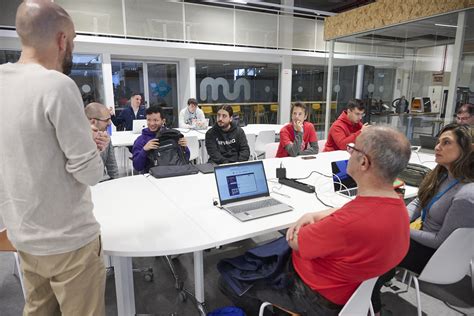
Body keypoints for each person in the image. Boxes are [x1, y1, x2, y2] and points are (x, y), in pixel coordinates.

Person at [219, 126, 412, 315]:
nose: (349, 153)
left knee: (228, 280)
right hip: (355, 291)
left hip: (316, 297)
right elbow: (347, 212)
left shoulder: (346, 224)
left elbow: (294, 240)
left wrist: (310, 222)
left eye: (353, 149)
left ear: (363, 162)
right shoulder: (398, 208)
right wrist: (315, 215)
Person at [0, 1, 109, 315]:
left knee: (38, 310)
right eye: (72, 42)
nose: (71, 49)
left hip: (23, 234)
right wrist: (90, 147)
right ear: (62, 40)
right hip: (69, 242)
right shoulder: (57, 86)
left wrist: (80, 141)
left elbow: (27, 146)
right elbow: (90, 174)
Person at [372, 123, 474, 315]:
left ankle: (372, 306)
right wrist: (400, 219)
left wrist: (400, 229)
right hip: (420, 240)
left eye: (446, 143)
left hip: (433, 256)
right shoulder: (443, 175)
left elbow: (439, 241)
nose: (437, 147)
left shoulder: (466, 195)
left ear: (466, 149)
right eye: (438, 142)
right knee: (379, 241)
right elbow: (419, 201)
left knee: (376, 249)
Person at [132, 105, 190, 173]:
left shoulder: (173, 136)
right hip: (152, 177)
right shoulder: (141, 140)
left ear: (163, 121)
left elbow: (186, 158)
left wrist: (185, 147)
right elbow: (137, 167)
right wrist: (144, 150)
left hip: (175, 174)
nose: (152, 123)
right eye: (149, 120)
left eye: (155, 120)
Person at [85, 102, 119, 180]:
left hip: (102, 183)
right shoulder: (74, 142)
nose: (110, 123)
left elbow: (112, 165)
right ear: (93, 121)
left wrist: (116, 183)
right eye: (107, 120)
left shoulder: (105, 137)